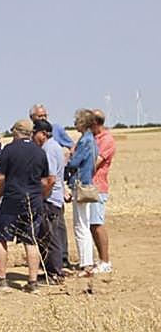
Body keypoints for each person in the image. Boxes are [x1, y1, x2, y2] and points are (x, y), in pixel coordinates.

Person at [0, 120, 51, 293]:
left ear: (16, 132)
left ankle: (1, 280)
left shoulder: (9, 150)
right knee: (30, 240)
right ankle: (32, 282)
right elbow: (45, 180)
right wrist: (40, 196)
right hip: (34, 201)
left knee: (0, 237)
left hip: (12, 199)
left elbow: (0, 178)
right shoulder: (40, 152)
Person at [69, 109, 99, 274]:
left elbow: (75, 162)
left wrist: (68, 157)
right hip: (88, 184)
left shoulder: (84, 141)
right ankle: (88, 261)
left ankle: (85, 263)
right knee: (85, 224)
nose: (75, 124)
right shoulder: (93, 140)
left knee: (80, 225)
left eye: (77, 121)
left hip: (80, 185)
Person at [38, 119, 68, 283]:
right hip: (55, 198)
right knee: (52, 236)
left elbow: (50, 178)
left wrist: (42, 196)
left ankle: (55, 273)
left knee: (50, 237)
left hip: (50, 199)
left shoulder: (48, 149)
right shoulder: (55, 146)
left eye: (35, 133)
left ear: (43, 134)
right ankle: (53, 271)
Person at [91, 109, 115, 273]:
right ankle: (100, 259)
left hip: (98, 187)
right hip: (89, 187)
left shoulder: (106, 140)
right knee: (92, 225)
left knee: (97, 224)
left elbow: (94, 163)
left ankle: (105, 261)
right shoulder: (92, 138)